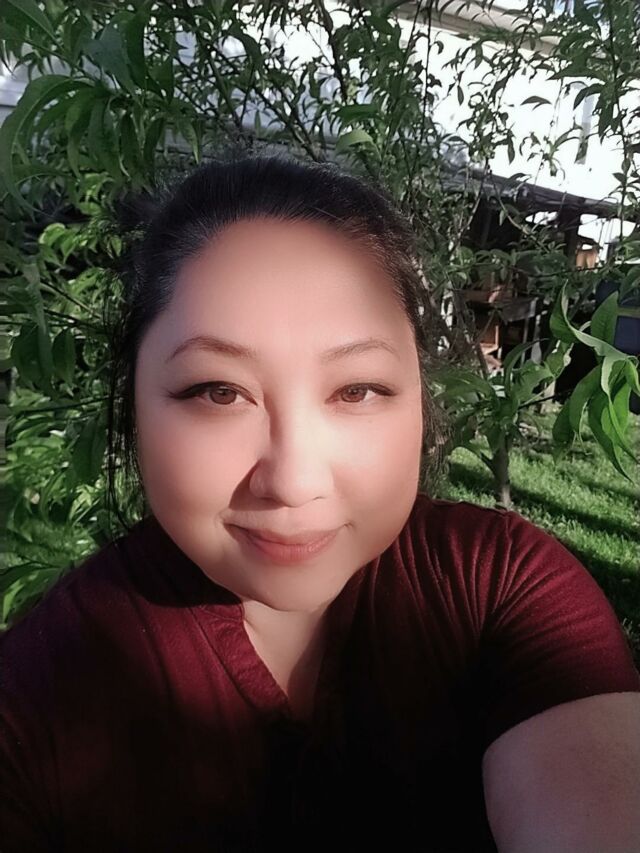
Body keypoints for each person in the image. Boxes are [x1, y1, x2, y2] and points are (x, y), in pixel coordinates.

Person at [1, 151, 639, 853]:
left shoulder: (497, 590)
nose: (293, 480)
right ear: (134, 408)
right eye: (219, 392)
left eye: (357, 389)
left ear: (420, 399)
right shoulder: (39, 694)